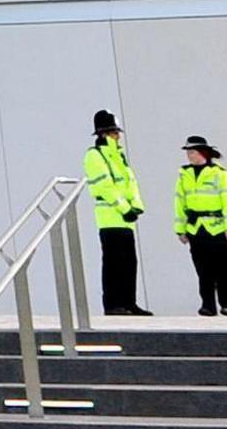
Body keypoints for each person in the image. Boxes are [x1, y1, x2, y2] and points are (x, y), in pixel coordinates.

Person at [84, 110, 149, 314]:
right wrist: (125, 208)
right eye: (114, 132)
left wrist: (136, 205)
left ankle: (129, 302)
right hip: (110, 217)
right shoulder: (94, 156)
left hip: (126, 219)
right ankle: (113, 304)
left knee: (130, 262)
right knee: (113, 262)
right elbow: (105, 186)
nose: (118, 136)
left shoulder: (118, 155)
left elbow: (130, 182)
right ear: (104, 133)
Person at [173, 137, 227, 315]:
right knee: (203, 270)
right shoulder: (184, 175)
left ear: (202, 153)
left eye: (192, 152)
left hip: (217, 227)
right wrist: (180, 229)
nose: (189, 155)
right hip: (196, 228)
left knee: (224, 269)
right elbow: (180, 203)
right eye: (188, 152)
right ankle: (208, 305)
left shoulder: (219, 174)